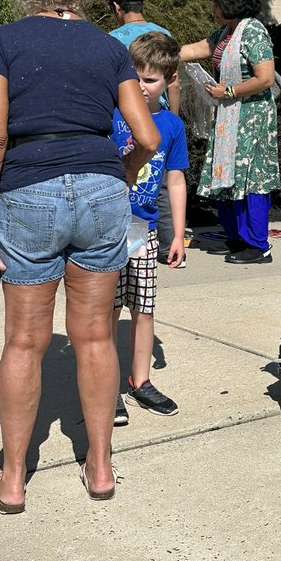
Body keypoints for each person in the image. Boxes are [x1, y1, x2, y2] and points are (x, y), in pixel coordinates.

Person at [0, 0, 159, 514]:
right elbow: (147, 136)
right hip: (101, 191)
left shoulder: (5, 43)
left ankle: (15, 479)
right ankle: (100, 468)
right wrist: (117, 176)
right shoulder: (109, 47)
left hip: (30, 192)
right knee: (95, 336)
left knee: (24, 343)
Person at [111, 31, 188, 425]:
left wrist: (178, 233)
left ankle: (140, 380)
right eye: (135, 76)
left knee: (143, 308)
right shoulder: (110, 115)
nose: (141, 86)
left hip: (144, 229)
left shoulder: (172, 127)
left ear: (169, 80)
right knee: (106, 310)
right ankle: (106, 388)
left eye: (151, 79)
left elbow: (175, 180)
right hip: (106, 228)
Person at [179, 0, 280, 264]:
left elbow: (265, 78)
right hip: (229, 117)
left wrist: (230, 91)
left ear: (228, 5)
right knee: (226, 176)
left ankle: (258, 246)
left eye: (216, 4)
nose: (212, 8)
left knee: (251, 180)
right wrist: (159, 49)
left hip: (252, 119)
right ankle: (236, 237)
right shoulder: (227, 32)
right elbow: (201, 48)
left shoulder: (254, 32)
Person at [108, 0, 180, 257]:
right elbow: (174, 84)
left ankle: (126, 246)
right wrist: (172, 118)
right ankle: (164, 245)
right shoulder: (162, 33)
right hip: (157, 116)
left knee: (127, 178)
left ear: (117, 7)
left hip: (124, 117)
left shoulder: (112, 40)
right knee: (160, 187)